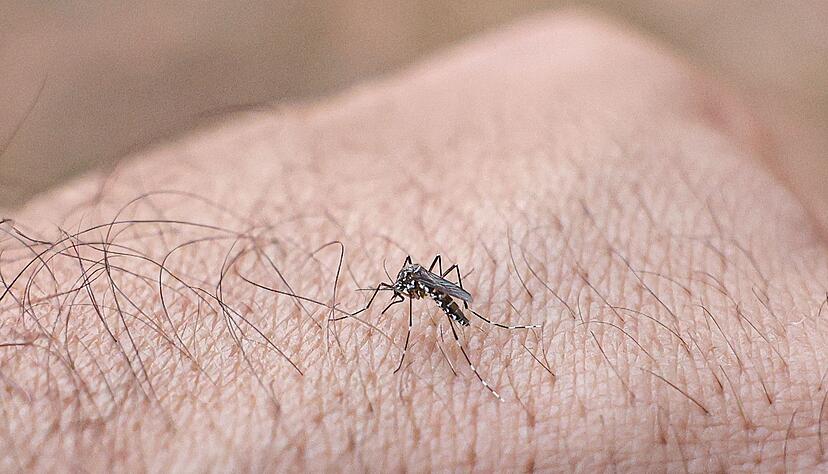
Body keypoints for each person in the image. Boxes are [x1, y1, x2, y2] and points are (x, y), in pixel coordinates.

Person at [2, 11, 826, 471]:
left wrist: (442, 300)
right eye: (407, 287)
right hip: (441, 289)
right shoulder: (409, 283)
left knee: (442, 305)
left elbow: (424, 286)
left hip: (454, 300)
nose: (404, 292)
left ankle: (469, 324)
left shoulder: (424, 291)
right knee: (429, 297)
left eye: (406, 288)